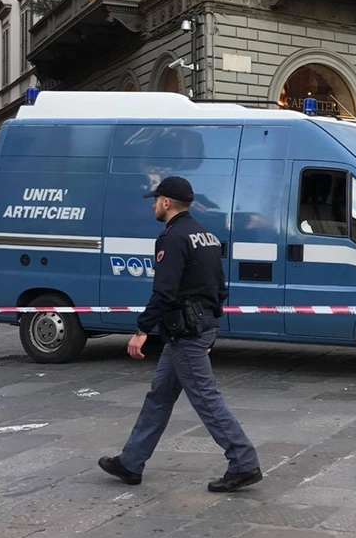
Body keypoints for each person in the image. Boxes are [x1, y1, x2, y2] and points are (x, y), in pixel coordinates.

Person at [99, 176, 261, 493]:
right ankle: (131, 462)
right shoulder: (206, 236)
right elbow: (220, 288)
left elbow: (164, 291)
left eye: (156, 199)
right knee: (159, 396)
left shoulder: (172, 238)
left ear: (167, 202)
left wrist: (141, 330)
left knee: (206, 399)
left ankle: (243, 462)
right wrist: (210, 330)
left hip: (185, 333)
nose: (153, 204)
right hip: (196, 329)